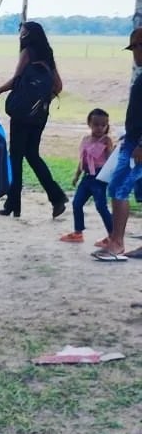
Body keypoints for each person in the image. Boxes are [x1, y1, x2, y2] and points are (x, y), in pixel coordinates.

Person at [0, 21, 68, 218]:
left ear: (28, 34)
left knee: (15, 157)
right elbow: (58, 86)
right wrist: (42, 101)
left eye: (22, 32)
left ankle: (13, 203)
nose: (20, 35)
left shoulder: (27, 53)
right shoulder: (47, 55)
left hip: (22, 114)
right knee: (32, 154)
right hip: (39, 115)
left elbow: (16, 80)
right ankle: (56, 197)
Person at [91, 26, 142, 262]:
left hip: (137, 144)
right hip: (132, 139)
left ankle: (117, 243)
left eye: (136, 48)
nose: (135, 54)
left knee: (119, 187)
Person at [59, 108, 114, 243]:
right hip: (87, 177)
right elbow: (82, 160)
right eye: (96, 124)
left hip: (99, 177)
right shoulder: (86, 139)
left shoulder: (106, 140)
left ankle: (113, 235)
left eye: (103, 125)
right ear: (89, 124)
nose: (100, 128)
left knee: (101, 206)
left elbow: (110, 160)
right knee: (77, 203)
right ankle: (78, 232)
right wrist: (76, 176)